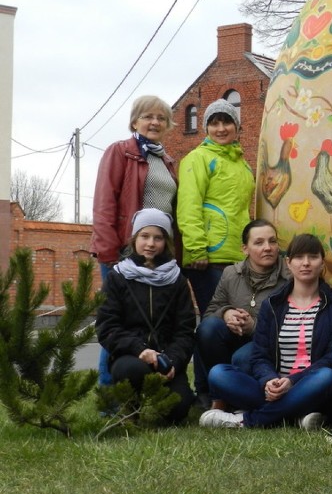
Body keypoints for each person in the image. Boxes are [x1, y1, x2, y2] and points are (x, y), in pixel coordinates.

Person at [199, 234, 332, 429]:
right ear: (288, 263)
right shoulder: (273, 304)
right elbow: (260, 355)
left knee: (327, 376)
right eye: (299, 257)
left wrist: (292, 381)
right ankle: (297, 415)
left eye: (313, 257)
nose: (306, 263)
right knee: (219, 373)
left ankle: (247, 420)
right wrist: (269, 380)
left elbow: (331, 358)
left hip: (311, 385)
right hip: (273, 386)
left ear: (321, 263)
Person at [91, 95, 179, 387]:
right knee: (116, 324)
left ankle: (149, 390)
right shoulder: (120, 152)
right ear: (135, 121)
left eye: (161, 118)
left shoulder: (166, 160)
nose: (155, 122)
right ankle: (108, 397)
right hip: (124, 252)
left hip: (158, 252)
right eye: (147, 116)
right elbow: (105, 203)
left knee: (151, 323)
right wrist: (108, 252)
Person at [177, 99, 255, 400]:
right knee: (211, 324)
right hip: (208, 258)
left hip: (237, 257)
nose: (221, 128)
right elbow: (189, 205)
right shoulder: (198, 159)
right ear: (206, 127)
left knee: (233, 323)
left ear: (237, 127)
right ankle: (206, 392)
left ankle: (228, 387)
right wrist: (196, 248)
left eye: (227, 122)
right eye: (214, 122)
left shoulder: (241, 163)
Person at [95, 209, 195, 423]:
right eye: (145, 236)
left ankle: (165, 400)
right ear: (134, 238)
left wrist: (173, 361)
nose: (150, 243)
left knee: (178, 408)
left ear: (165, 241)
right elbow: (107, 327)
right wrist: (140, 350)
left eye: (158, 238)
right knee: (130, 369)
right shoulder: (117, 277)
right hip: (131, 356)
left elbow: (185, 330)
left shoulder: (177, 280)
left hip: (167, 358)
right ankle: (132, 407)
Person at [195, 219, 291, 406]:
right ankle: (218, 395)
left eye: (272, 241)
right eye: (259, 242)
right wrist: (227, 313)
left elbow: (292, 323)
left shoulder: (288, 277)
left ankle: (240, 397)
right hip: (233, 339)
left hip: (269, 345)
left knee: (243, 358)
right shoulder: (231, 273)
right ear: (244, 249)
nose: (268, 247)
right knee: (208, 329)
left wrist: (254, 326)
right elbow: (210, 313)